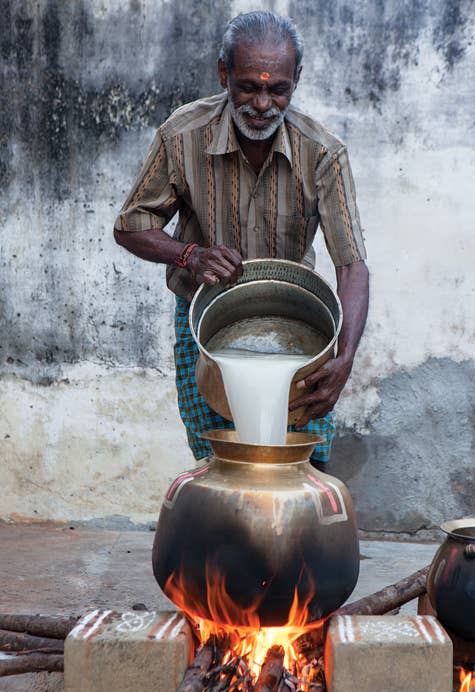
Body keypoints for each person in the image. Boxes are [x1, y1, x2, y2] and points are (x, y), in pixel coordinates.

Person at [114, 10, 369, 470]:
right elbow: (130, 225)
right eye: (249, 86)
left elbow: (351, 265)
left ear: (296, 81)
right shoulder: (184, 135)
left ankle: (301, 540)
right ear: (223, 73)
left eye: (278, 89)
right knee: (217, 455)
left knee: (303, 459)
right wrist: (189, 254)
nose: (263, 104)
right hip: (206, 323)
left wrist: (345, 358)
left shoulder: (322, 152)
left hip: (297, 329)